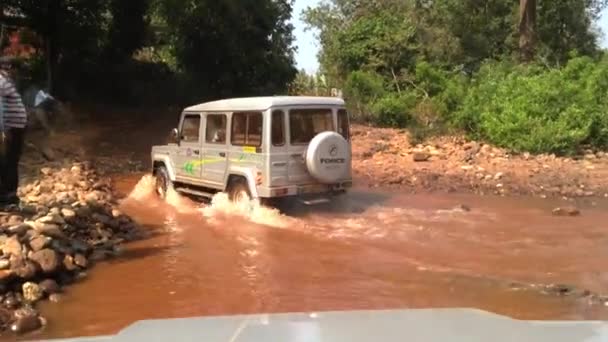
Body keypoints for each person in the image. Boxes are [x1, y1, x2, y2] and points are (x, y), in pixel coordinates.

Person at [0, 56, 27, 207]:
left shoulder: (5, 82)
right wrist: (3, 129)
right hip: (10, 130)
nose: (18, 73)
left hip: (13, 128)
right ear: (9, 68)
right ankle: (7, 199)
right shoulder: (1, 81)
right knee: (8, 162)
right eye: (16, 69)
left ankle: (7, 197)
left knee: (9, 161)